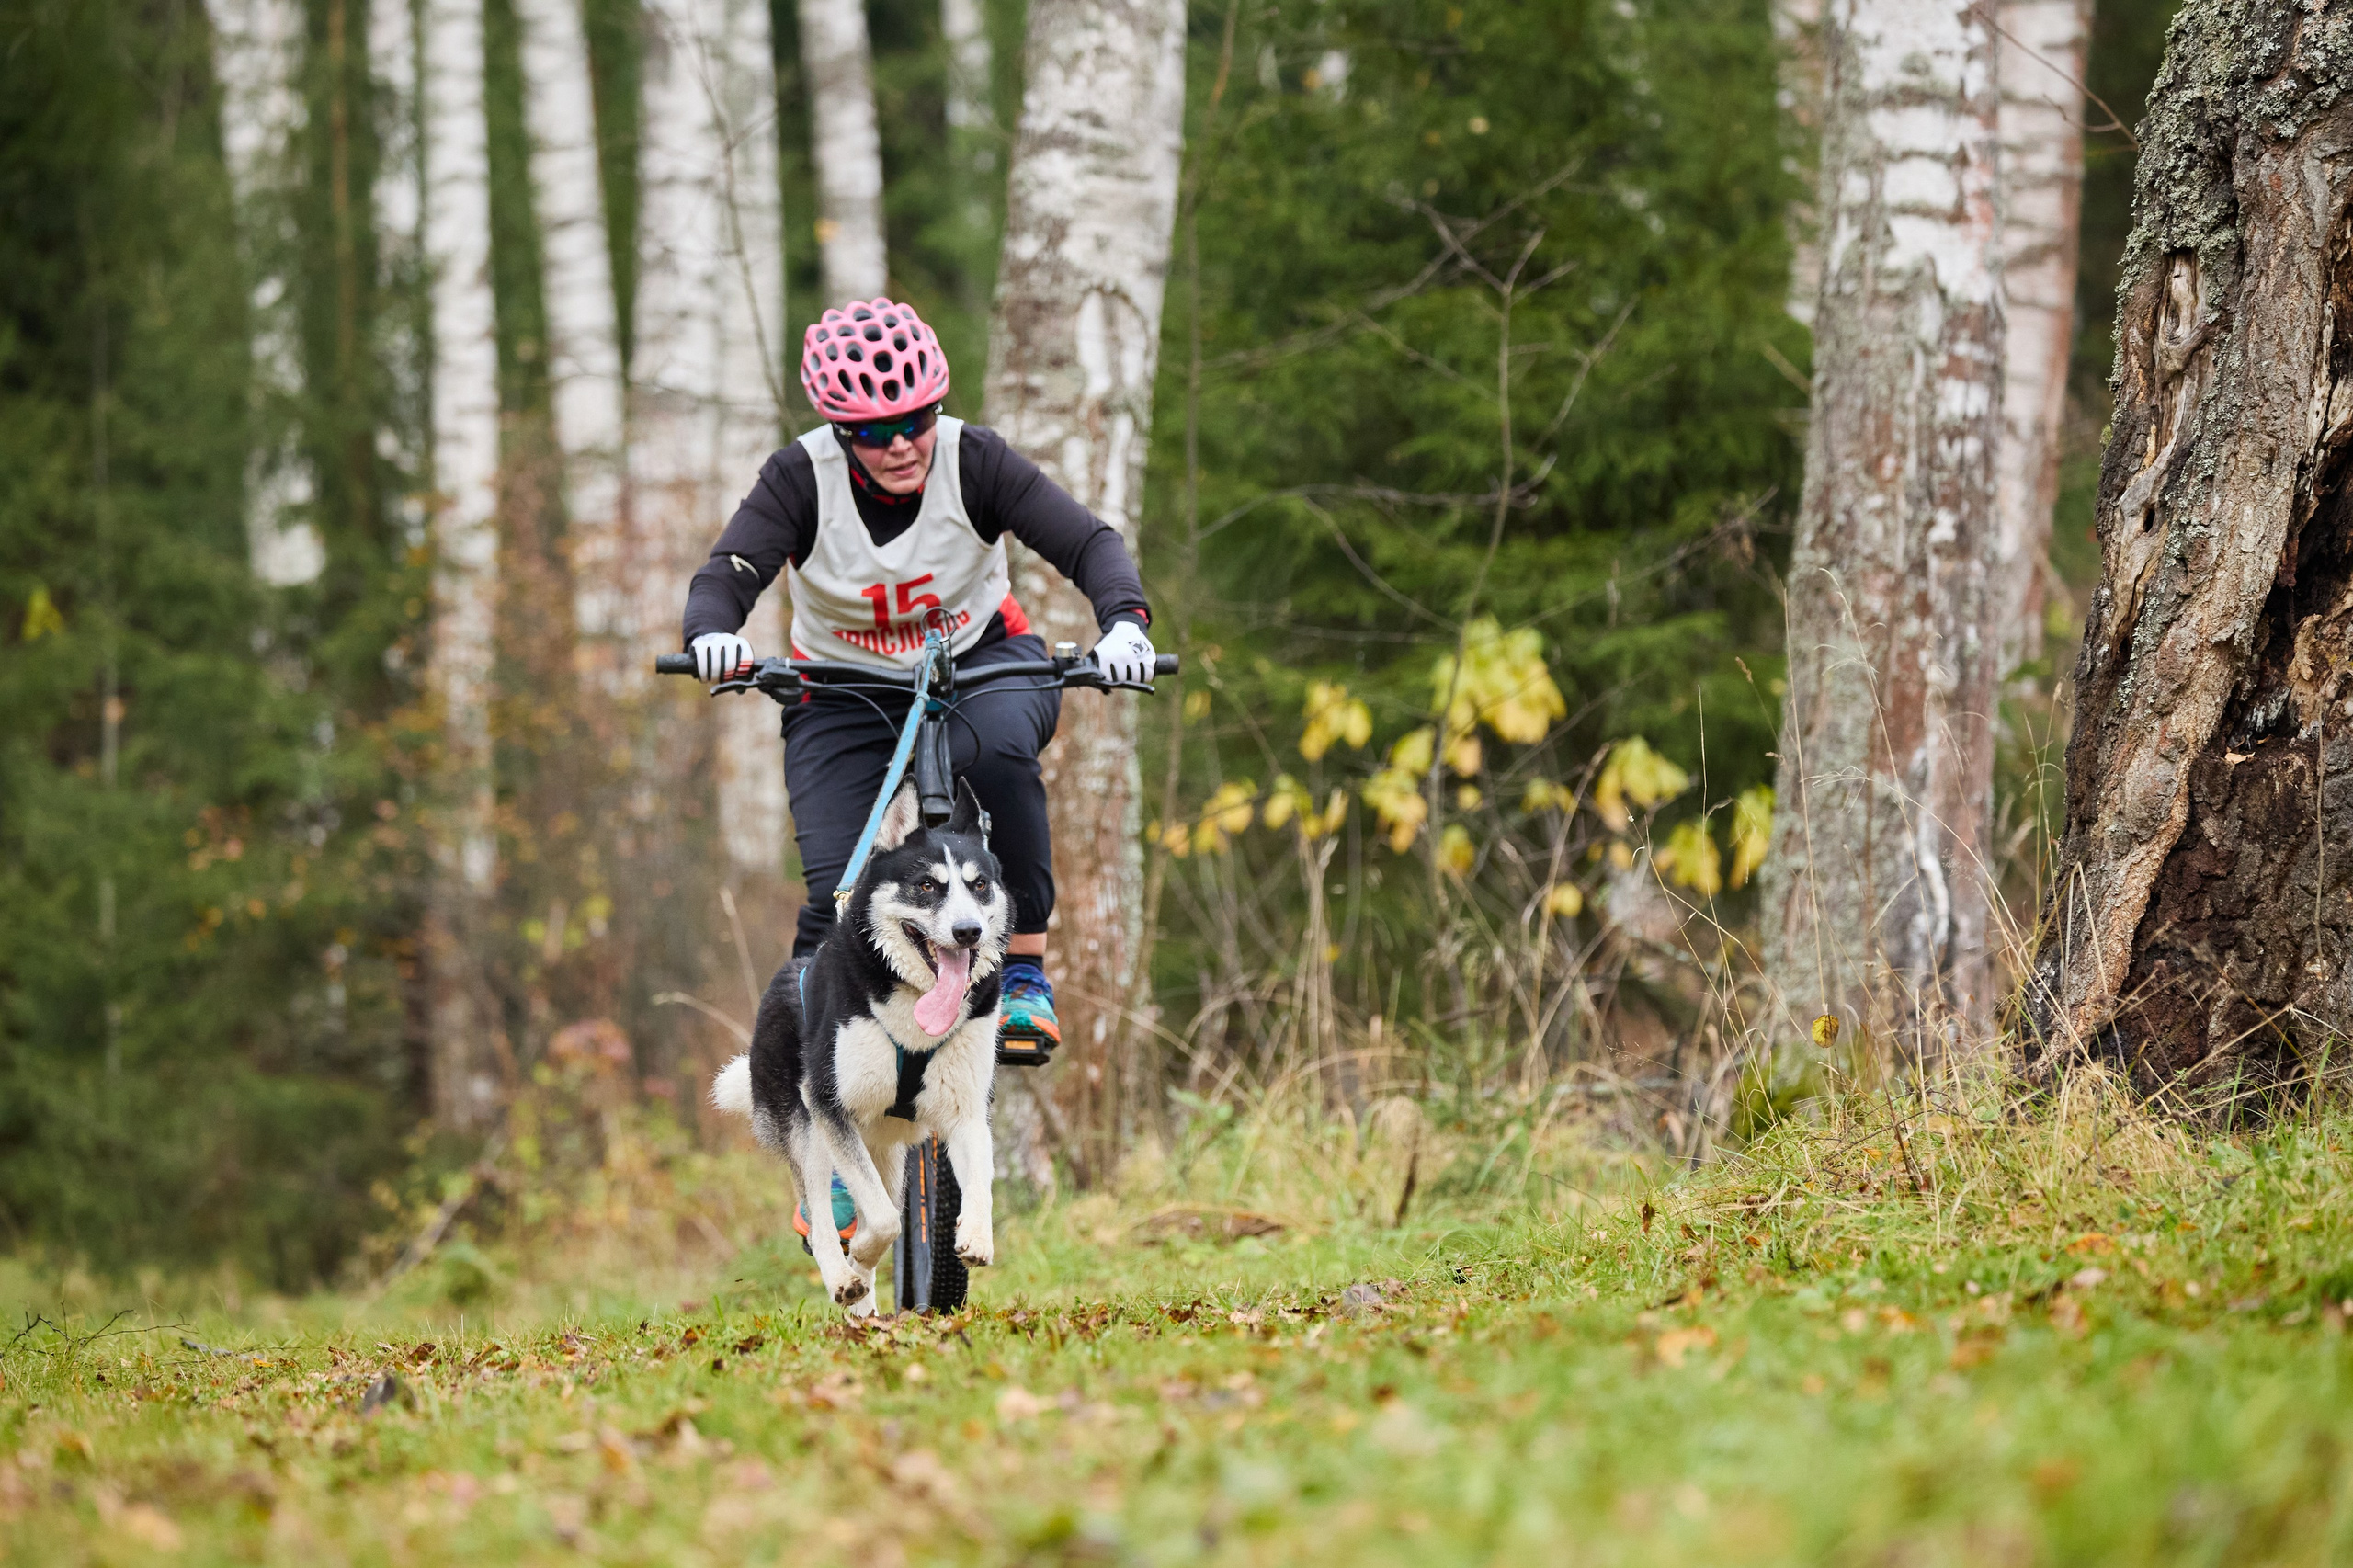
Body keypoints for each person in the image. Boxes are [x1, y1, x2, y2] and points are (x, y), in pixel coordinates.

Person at [681, 298, 1155, 1056]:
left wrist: (1125, 621)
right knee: (843, 887)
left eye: (918, 419)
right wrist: (712, 634)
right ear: (841, 431)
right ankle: (832, 1090)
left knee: (999, 753)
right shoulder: (799, 478)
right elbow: (728, 572)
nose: (902, 444)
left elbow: (1088, 542)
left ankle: (1026, 972)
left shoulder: (977, 461)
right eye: (873, 432)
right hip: (841, 687)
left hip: (980, 659)